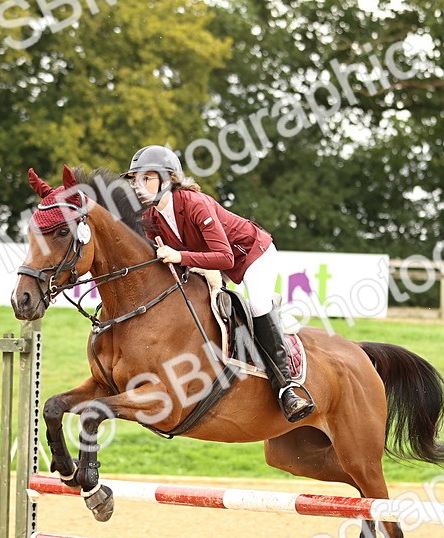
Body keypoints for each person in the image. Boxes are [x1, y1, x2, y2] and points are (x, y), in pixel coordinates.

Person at [123, 145, 314, 423]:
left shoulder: (194, 202)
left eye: (146, 178)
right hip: (212, 262)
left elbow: (225, 257)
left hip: (251, 254)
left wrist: (179, 256)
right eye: (134, 179)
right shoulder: (151, 218)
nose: (138, 186)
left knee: (258, 303)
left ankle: (287, 387)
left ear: (168, 179)